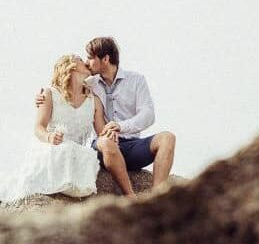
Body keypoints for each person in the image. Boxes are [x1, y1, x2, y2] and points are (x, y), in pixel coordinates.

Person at [37, 37, 176, 196]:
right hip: (104, 146)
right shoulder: (90, 83)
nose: (87, 62)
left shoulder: (136, 80)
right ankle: (130, 196)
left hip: (132, 145)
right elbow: (64, 85)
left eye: (90, 57)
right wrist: (41, 97)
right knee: (106, 142)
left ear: (105, 59)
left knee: (168, 138)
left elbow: (148, 114)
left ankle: (157, 197)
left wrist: (120, 126)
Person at [0, 55, 114, 204]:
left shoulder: (93, 100)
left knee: (84, 155)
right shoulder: (49, 93)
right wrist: (49, 137)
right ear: (69, 67)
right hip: (52, 147)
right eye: (79, 58)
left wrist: (112, 132)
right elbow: (39, 127)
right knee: (64, 150)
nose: (85, 61)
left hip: (77, 151)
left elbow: (101, 132)